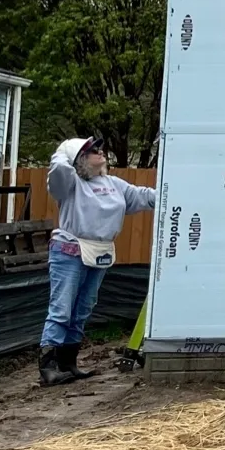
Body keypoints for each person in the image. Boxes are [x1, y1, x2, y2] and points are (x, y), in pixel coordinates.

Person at [40, 136, 157, 386]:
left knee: (83, 308)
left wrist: (176, 195)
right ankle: (48, 366)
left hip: (100, 251)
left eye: (99, 148)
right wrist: (63, 150)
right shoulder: (70, 184)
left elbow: (143, 196)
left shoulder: (113, 184)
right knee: (61, 308)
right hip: (69, 250)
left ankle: (68, 363)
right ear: (80, 158)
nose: (100, 152)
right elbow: (59, 171)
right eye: (92, 150)